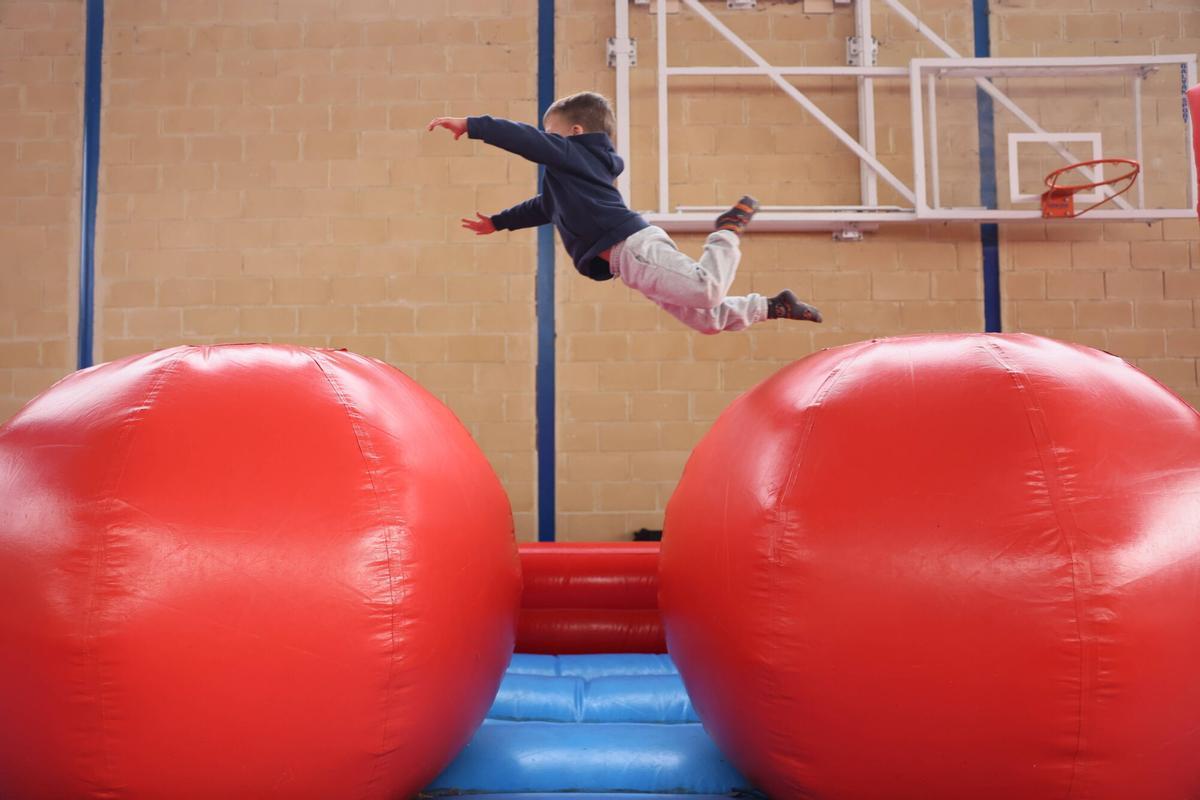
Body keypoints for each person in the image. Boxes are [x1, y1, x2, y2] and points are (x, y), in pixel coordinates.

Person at [427, 91, 822, 334]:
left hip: (633, 246)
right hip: (625, 262)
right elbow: (542, 206)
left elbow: (529, 141)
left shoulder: (573, 155)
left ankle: (727, 231)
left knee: (706, 289)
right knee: (705, 318)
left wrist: (474, 125)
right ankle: (772, 306)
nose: (548, 140)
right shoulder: (566, 180)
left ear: (576, 132)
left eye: (553, 133)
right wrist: (498, 222)